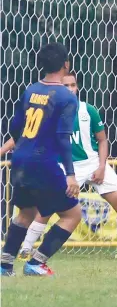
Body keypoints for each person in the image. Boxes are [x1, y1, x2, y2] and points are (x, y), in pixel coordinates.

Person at [1, 73, 117, 260]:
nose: (70, 89)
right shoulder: (49, 111)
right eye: (66, 85)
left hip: (92, 163)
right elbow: (21, 135)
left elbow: (102, 139)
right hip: (64, 167)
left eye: (73, 85)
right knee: (46, 210)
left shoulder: (88, 110)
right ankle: (26, 250)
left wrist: (101, 166)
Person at [1, 43, 81, 276]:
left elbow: (15, 126)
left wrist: (24, 144)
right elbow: (63, 138)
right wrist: (70, 174)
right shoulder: (67, 97)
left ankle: (5, 265)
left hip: (21, 159)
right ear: (66, 64)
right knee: (72, 215)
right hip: (43, 161)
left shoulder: (30, 89)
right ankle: (36, 262)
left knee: (25, 213)